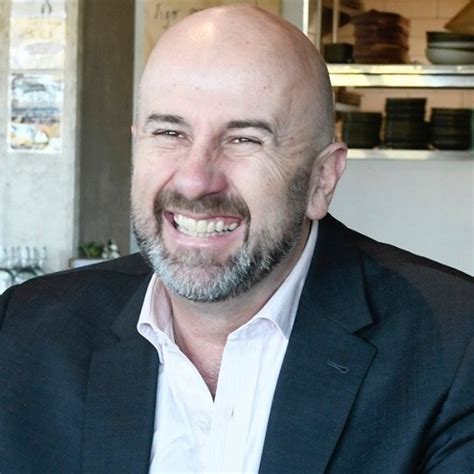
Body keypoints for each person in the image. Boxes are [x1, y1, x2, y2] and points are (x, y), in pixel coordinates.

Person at [0, 5, 473, 473]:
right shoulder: (24, 332)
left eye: (245, 139)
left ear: (322, 179)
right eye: (169, 132)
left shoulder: (453, 348)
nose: (194, 180)